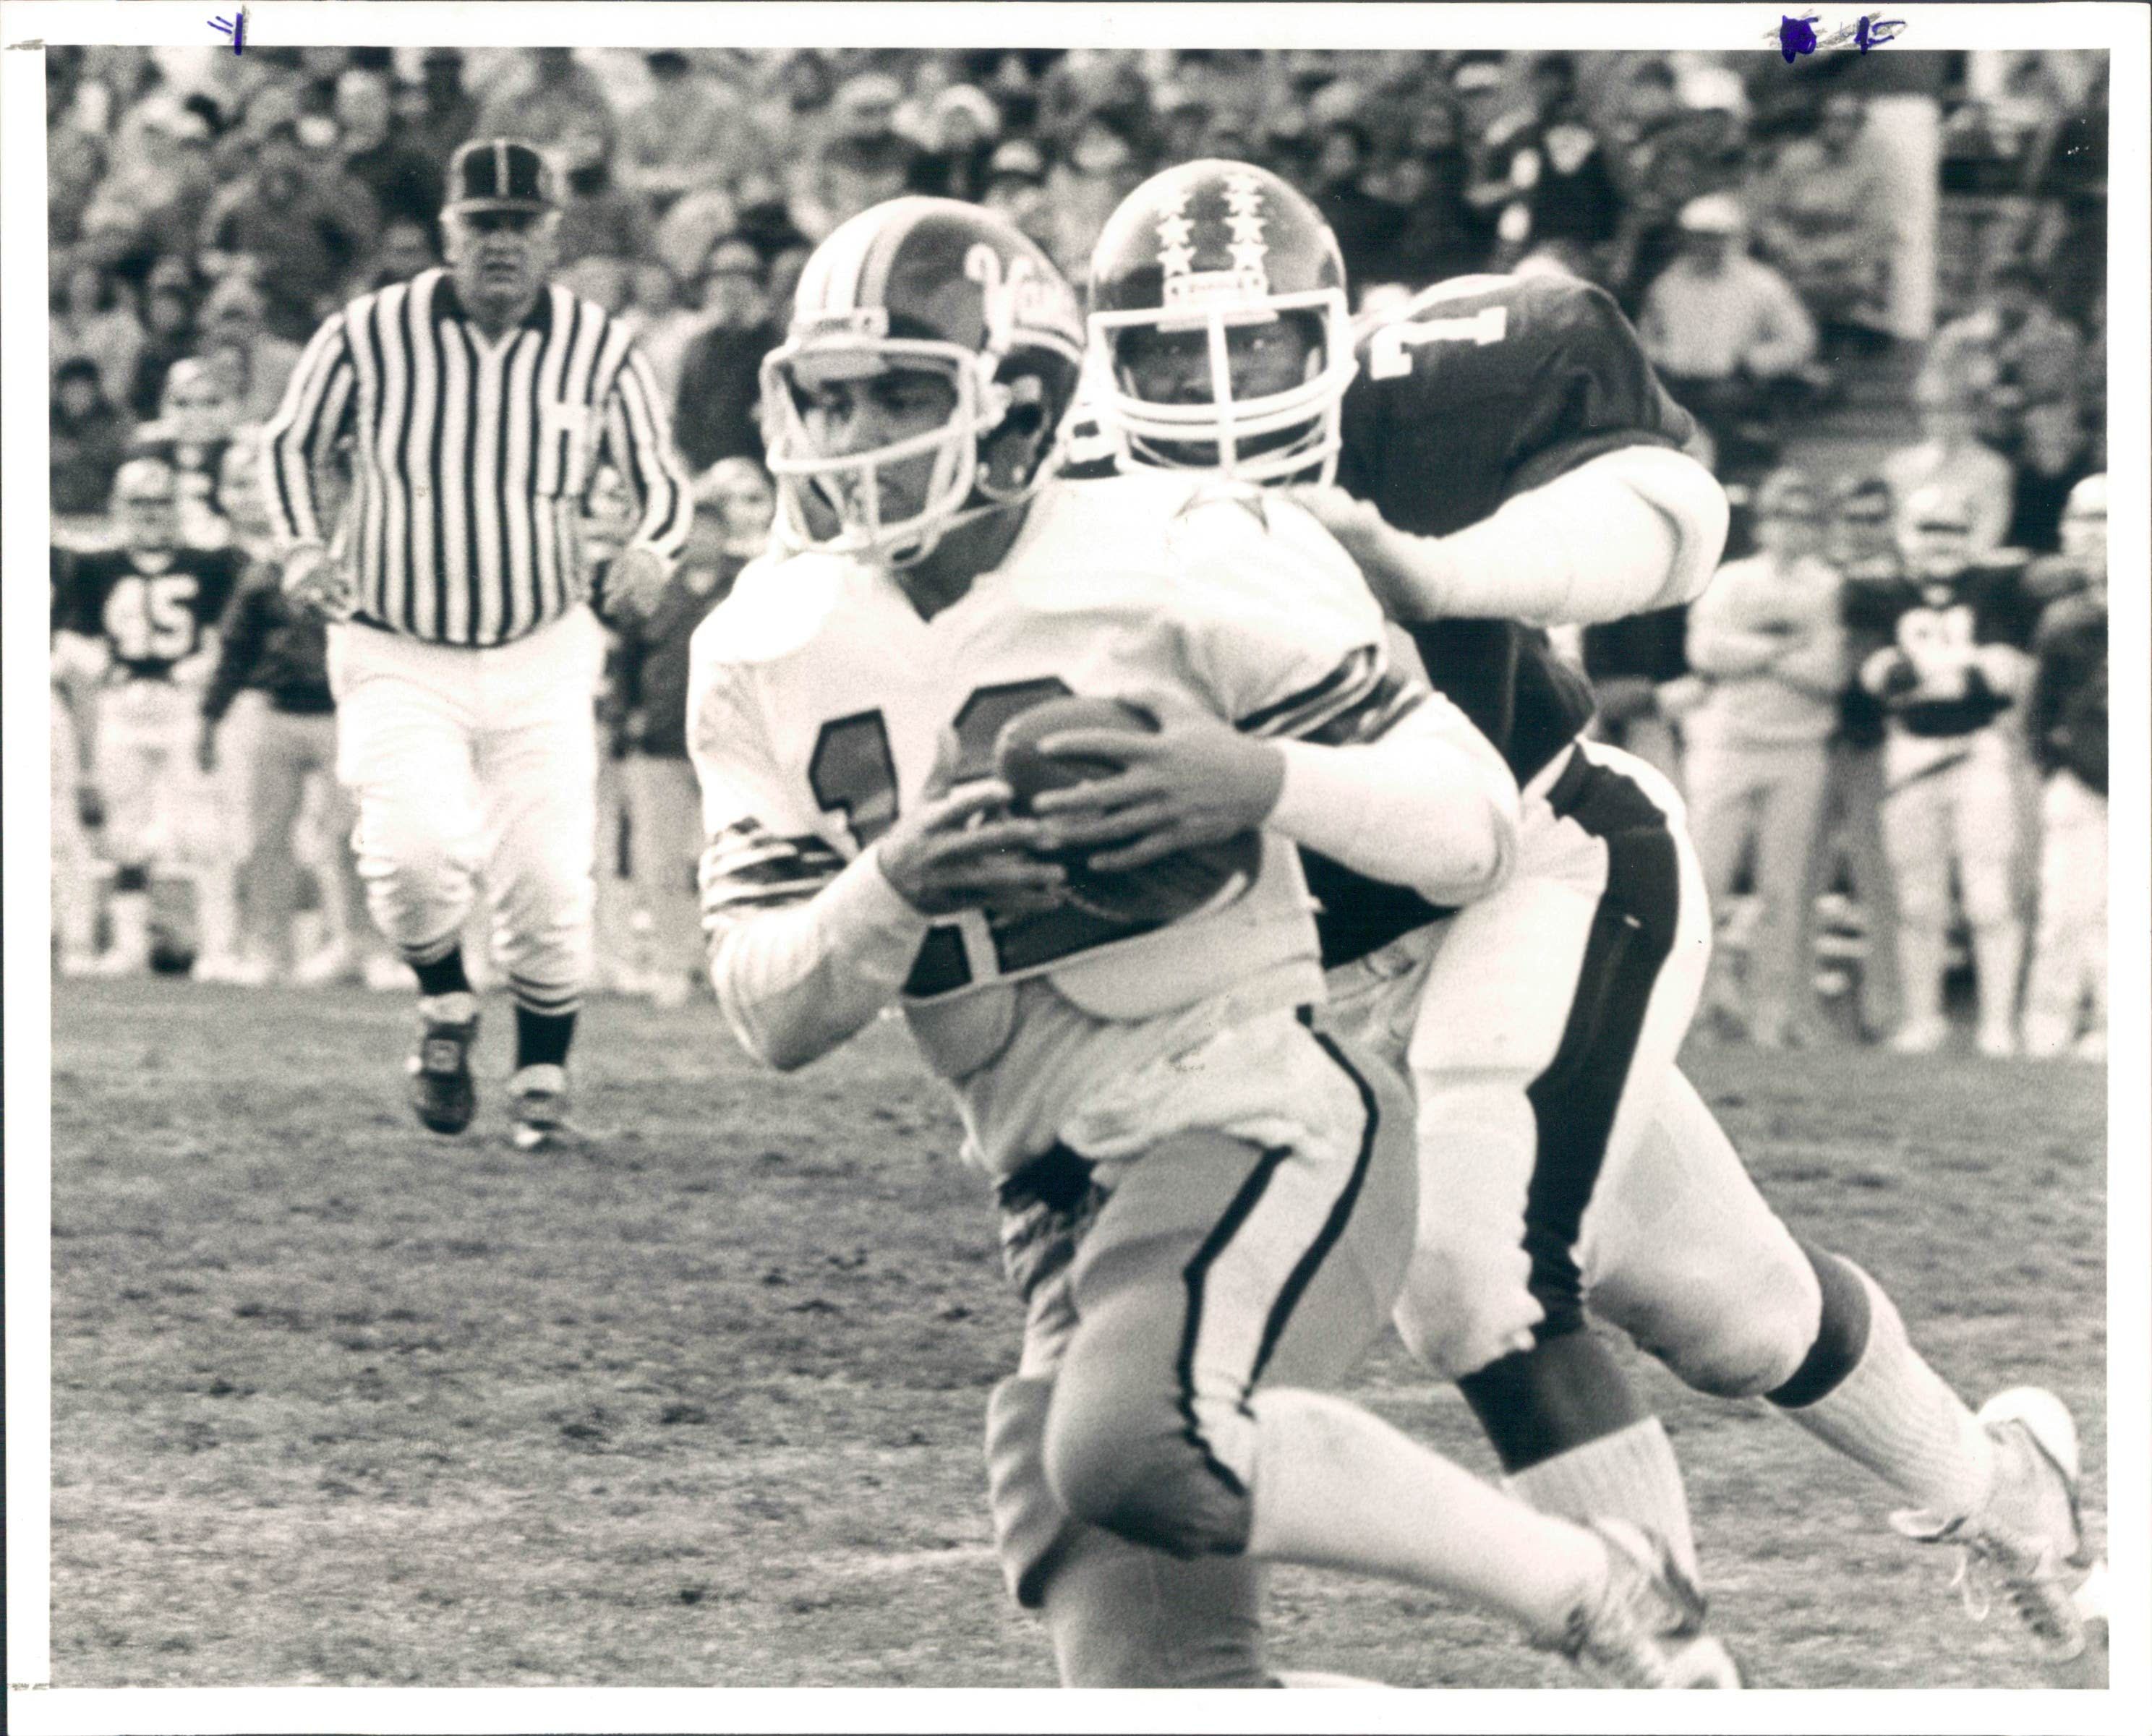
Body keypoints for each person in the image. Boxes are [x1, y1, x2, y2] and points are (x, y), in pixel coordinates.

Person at [693, 193, 1735, 1691]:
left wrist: (1258, 779)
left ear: (1021, 406)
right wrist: (891, 889)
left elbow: (1468, 830)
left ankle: (1598, 1588)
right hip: (1052, 1183)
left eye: (905, 392)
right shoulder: (761, 645)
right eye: (832, 394)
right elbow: (767, 1010)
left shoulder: (1193, 548)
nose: (857, 434)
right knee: (1164, 1688)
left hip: (1253, 1104)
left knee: (1127, 1441)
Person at [1087, 160, 2098, 1669]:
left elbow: (1676, 516)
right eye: (1175, 353)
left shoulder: (1440, 385)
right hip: (1315, 974)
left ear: (1338, 336)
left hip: (1541, 862)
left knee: (1477, 1275)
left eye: (1262, 346)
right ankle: (2007, 1492)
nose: (1222, 389)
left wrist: (1439, 570)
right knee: (1735, 1315)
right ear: (1107, 362)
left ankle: (1665, 1666)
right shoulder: (1062, 516)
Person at [262, 137, 691, 1148]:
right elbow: (288, 444)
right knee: (411, 857)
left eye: (521, 225)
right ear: (449, 232)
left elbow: (661, 477)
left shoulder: (599, 345)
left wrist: (654, 549)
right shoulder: (369, 333)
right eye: (481, 225)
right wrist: (297, 549)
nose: (500, 245)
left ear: (553, 234)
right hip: (394, 641)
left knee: (547, 874)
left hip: (543, 641)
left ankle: (543, 1071)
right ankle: (447, 1004)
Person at [1856, 485, 2044, 1057]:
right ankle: (1923, 1019)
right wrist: (1962, 670)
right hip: (1909, 752)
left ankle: (1997, 1025)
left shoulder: (2001, 587)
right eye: (1928, 528)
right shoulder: (1878, 590)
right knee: (1918, 900)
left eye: (1953, 529)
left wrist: (1923, 672)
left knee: (1989, 896)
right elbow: (1877, 678)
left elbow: (2005, 678)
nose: (1941, 541)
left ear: (1973, 536)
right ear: (1905, 534)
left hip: (1979, 749)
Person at [51, 458, 247, 978]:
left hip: (186, 707)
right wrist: (107, 667)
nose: (150, 513)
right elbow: (70, 638)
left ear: (176, 507)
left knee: (205, 831)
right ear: (118, 507)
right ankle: (129, 945)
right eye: (139, 502)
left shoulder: (209, 564)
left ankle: (220, 948)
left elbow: (229, 636)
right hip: (124, 706)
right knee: (124, 834)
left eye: (160, 502)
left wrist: (200, 666)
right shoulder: (96, 566)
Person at [1683, 469, 1847, 1048]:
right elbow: (1705, 652)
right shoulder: (1730, 581)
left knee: (1785, 887)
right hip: (1729, 743)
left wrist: (1750, 654)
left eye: (1804, 517)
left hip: (1799, 747)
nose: (1791, 528)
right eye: (1782, 515)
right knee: (1706, 878)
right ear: (1764, 521)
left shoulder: (1829, 586)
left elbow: (1828, 672)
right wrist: (1782, 651)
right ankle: (1695, 1007)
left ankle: (1770, 1012)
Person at [612, 458, 774, 1006]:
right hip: (658, 744)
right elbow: (627, 662)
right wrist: (625, 724)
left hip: (730, 745)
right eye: (693, 527)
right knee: (659, 863)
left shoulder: (752, 586)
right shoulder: (657, 589)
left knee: (730, 860)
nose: (702, 536)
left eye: (711, 526)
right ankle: (673, 964)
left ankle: (733, 966)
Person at [1814, 474, 1908, 1040]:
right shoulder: (1817, 579)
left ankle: (1885, 1011)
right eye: (1854, 518)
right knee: (1804, 878)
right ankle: (1804, 1014)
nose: (1864, 529)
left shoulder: (1904, 586)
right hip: (1812, 739)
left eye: (1876, 518)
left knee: (1880, 880)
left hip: (1876, 742)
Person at [2019, 473, 2107, 1061]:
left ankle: (2113, 1025)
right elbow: (2038, 710)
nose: (2096, 535)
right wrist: (2057, 766)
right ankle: (2046, 1029)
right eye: (2086, 520)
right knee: (2064, 912)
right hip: (2082, 778)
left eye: (2106, 520)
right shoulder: (2063, 617)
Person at [1638, 194, 1818, 458]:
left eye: (1717, 237)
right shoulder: (1667, 284)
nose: (1708, 245)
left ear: (1736, 238)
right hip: (1676, 384)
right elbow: (1645, 338)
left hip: (1736, 385)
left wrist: (1754, 362)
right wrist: (1662, 356)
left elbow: (1799, 340)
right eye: (1700, 236)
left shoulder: (1763, 284)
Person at [671, 236, 782, 472]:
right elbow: (684, 423)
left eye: (740, 274)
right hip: (707, 478)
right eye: (718, 275)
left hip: (764, 477)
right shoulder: (698, 348)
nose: (728, 284)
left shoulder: (778, 345)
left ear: (759, 283)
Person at [1881, 378, 2017, 555]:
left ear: (1973, 415)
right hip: (1912, 565)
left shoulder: (1994, 468)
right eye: (1935, 411)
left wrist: (1957, 563)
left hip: (1972, 567)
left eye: (1955, 411)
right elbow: (1896, 525)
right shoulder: (1898, 465)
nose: (1945, 420)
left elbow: (1991, 528)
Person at [51, 356, 134, 520]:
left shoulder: (115, 419)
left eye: (83, 391)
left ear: (96, 392)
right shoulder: (47, 420)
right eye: (71, 391)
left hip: (105, 510)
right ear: (60, 392)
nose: (77, 397)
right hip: (56, 511)